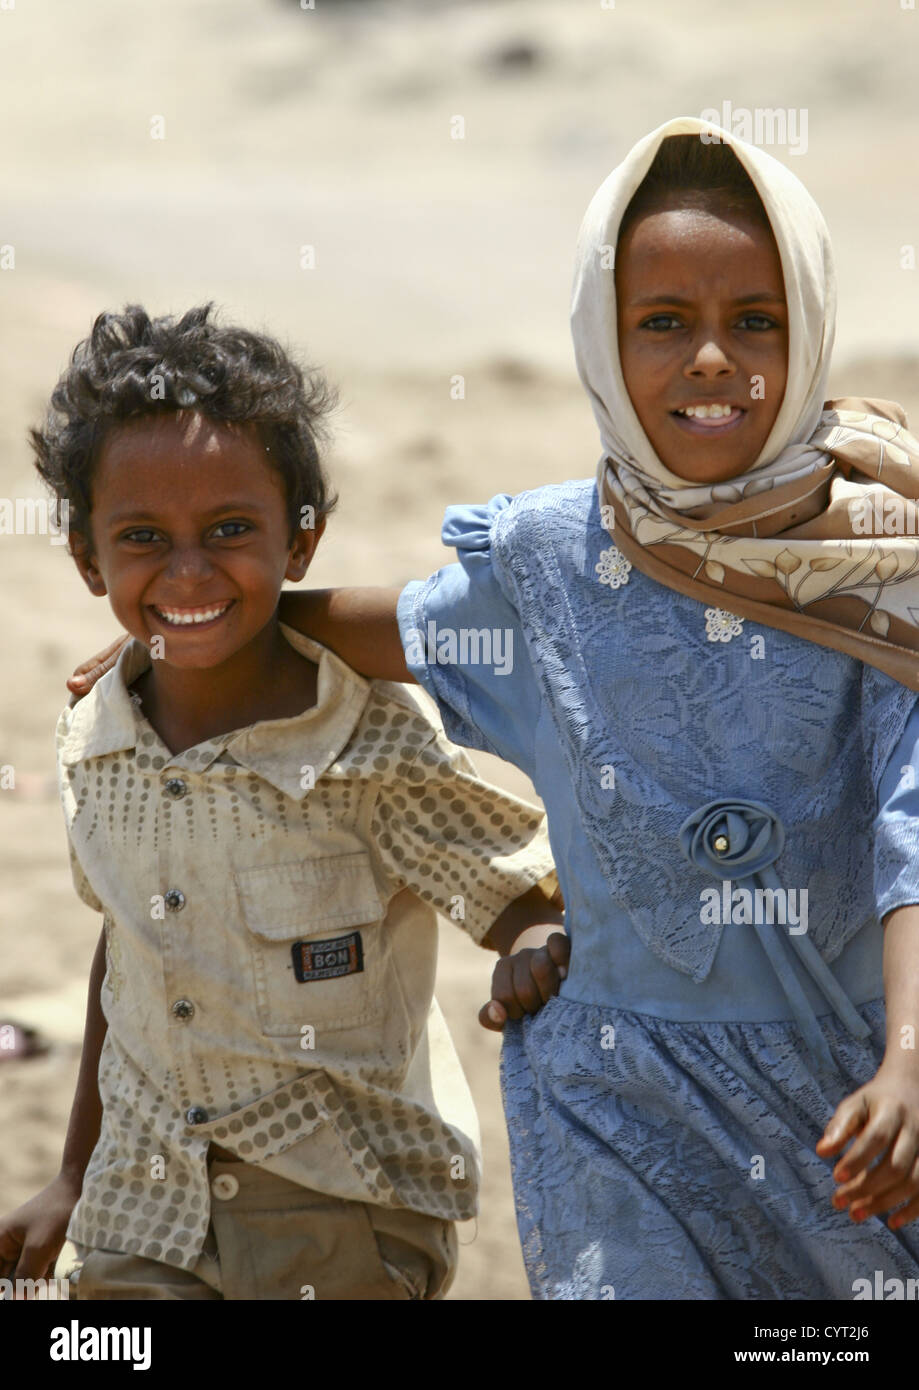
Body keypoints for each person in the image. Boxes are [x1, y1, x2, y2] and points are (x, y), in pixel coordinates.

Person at [61, 115, 919, 1301]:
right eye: (663, 323)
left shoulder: (881, 567)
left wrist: (909, 1062)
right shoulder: (550, 565)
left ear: (812, 324)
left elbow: (908, 849)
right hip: (614, 1100)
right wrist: (193, 618)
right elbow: (392, 620)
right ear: (602, 340)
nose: (711, 359)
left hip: (847, 1092)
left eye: (755, 322)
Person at [0, 304, 568, 1301]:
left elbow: (516, 896)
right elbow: (126, 953)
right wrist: (72, 1173)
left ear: (300, 542)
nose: (188, 569)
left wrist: (529, 948)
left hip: (339, 1207)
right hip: (144, 1200)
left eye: (230, 531)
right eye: (142, 538)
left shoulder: (367, 742)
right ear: (89, 560)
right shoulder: (96, 738)